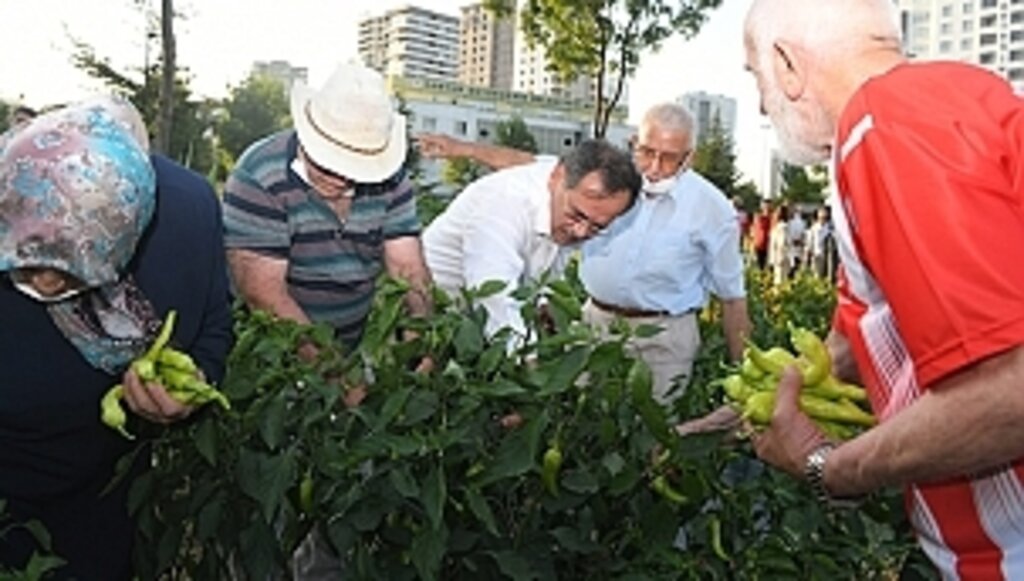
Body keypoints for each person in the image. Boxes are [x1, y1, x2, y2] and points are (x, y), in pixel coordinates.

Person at [743, 0, 1024, 577]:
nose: (759, 104)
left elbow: (1008, 394)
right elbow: (855, 335)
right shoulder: (942, 103)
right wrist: (749, 402)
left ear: (787, 64)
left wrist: (829, 467)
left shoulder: (886, 124)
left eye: (757, 79)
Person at [0, 96, 232, 579]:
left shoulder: (185, 214)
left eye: (68, 271)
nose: (44, 285)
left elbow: (214, 319)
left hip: (104, 488)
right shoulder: (11, 189)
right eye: (31, 262)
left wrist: (193, 385)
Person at [420, 103, 751, 405]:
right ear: (634, 142)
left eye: (670, 158)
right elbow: (496, 294)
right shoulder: (573, 188)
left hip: (664, 337)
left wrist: (745, 387)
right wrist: (462, 149)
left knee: (653, 431)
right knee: (580, 419)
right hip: (587, 321)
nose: (654, 168)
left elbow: (733, 296)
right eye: (647, 152)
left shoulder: (709, 207)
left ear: (689, 157)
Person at [223, 62, 431, 357]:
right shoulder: (261, 174)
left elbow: (406, 266)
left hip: (347, 345)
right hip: (268, 352)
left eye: (356, 167)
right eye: (329, 161)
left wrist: (420, 329)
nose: (340, 177)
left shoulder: (392, 179)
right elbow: (263, 294)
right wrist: (334, 373)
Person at [422, 139, 640, 341]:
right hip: (428, 310)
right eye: (576, 215)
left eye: (597, 227)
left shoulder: (571, 193)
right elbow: (495, 298)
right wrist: (530, 367)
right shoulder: (506, 204)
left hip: (472, 321)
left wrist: (544, 304)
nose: (581, 232)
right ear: (557, 178)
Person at [802, 206, 835, 280]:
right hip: (817, 256)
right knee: (817, 277)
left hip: (828, 258)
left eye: (824, 214)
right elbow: (809, 244)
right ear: (818, 215)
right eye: (821, 213)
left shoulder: (830, 228)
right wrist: (807, 257)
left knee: (828, 277)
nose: (823, 216)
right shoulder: (813, 228)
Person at [748, 200, 773, 270]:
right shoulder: (758, 217)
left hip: (769, 245)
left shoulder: (772, 218)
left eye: (768, 206)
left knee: (768, 267)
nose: (766, 208)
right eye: (765, 206)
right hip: (758, 244)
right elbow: (753, 230)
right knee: (759, 265)